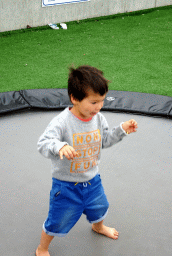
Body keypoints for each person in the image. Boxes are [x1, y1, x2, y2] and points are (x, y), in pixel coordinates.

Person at [36, 65, 138, 256]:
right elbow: (43, 143)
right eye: (93, 102)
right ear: (74, 98)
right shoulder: (62, 122)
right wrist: (59, 146)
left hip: (92, 181)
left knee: (100, 207)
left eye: (102, 101)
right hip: (66, 186)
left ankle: (98, 227)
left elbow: (104, 141)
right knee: (57, 219)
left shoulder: (98, 118)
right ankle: (42, 248)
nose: (98, 107)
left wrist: (121, 130)